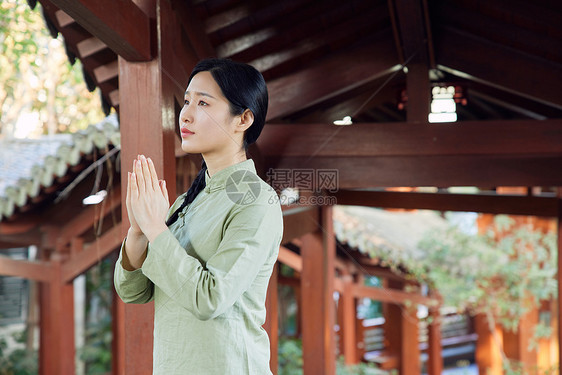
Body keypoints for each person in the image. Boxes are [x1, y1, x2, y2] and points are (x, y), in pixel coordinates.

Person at [114, 58, 283, 374]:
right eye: (187, 101)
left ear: (243, 119)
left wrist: (155, 227)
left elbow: (210, 298)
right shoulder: (186, 201)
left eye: (203, 103)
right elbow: (132, 291)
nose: (186, 114)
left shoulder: (257, 200)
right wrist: (139, 231)